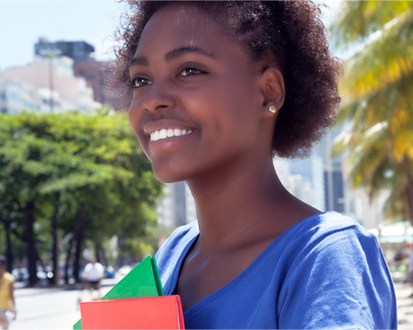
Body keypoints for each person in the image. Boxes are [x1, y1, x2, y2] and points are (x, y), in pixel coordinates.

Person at [112, 1, 397, 328]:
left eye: (189, 71)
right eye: (141, 80)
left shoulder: (324, 255)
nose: (152, 100)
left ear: (267, 93)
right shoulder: (170, 257)